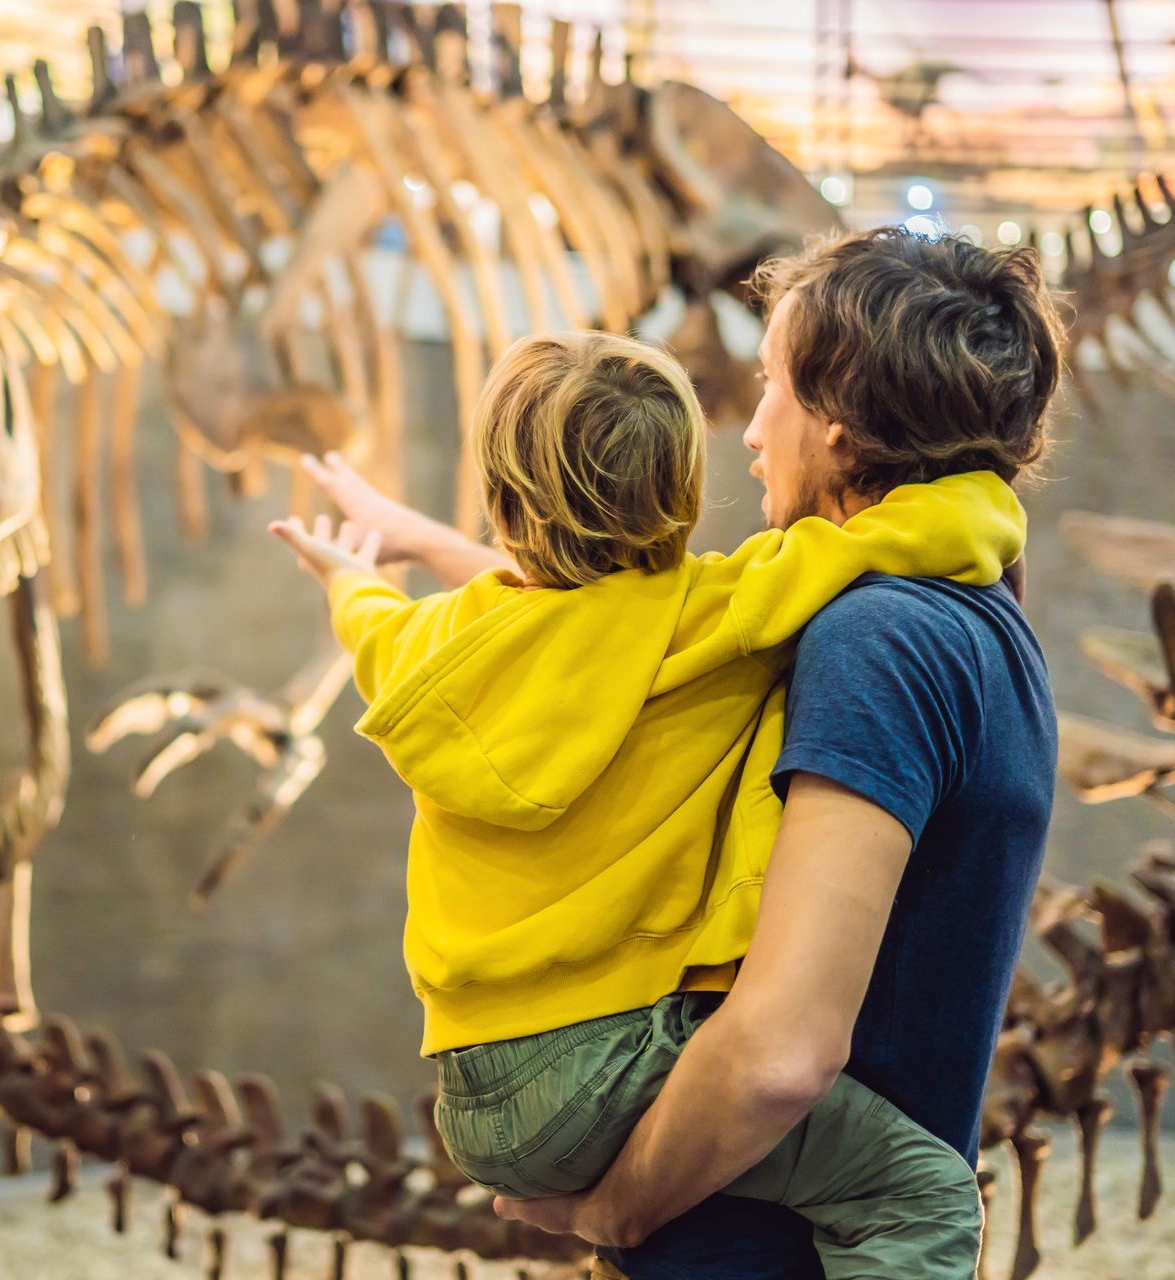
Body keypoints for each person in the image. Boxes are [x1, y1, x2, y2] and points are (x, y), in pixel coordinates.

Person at [300, 227, 1062, 1279]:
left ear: (840, 429)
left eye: (773, 388)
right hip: (717, 1186)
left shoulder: (877, 641)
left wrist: (618, 1209)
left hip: (548, 1115)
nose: (751, 431)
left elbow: (783, 1056)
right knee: (921, 1192)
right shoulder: (953, 616)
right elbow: (625, 639)